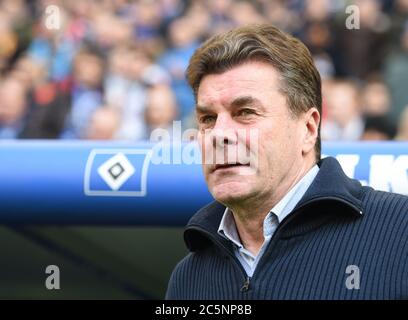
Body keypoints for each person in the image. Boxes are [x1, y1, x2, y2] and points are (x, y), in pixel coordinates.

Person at [165, 24, 408, 300]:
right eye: (208, 119)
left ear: (308, 129)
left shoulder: (400, 233)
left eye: (245, 112)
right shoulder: (188, 278)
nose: (218, 134)